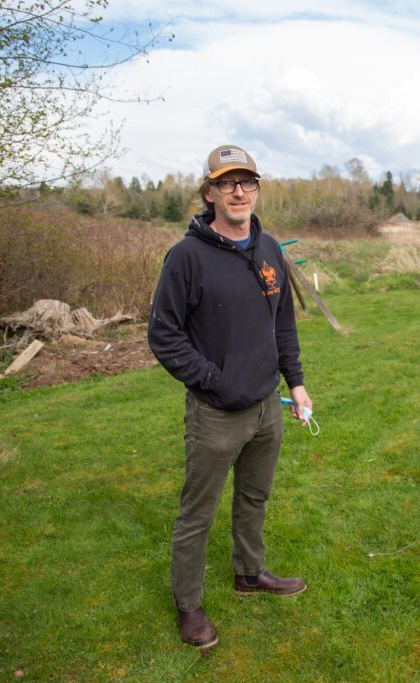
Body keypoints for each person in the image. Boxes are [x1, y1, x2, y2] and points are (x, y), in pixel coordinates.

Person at [147, 144, 312, 650]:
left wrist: (296, 382)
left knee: (254, 497)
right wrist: (213, 381)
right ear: (210, 193)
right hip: (217, 414)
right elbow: (164, 335)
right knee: (198, 513)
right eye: (227, 183)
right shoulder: (186, 258)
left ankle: (249, 573)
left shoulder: (269, 250)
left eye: (247, 182)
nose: (239, 191)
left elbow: (281, 322)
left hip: (267, 408)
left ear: (257, 189)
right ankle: (189, 606)